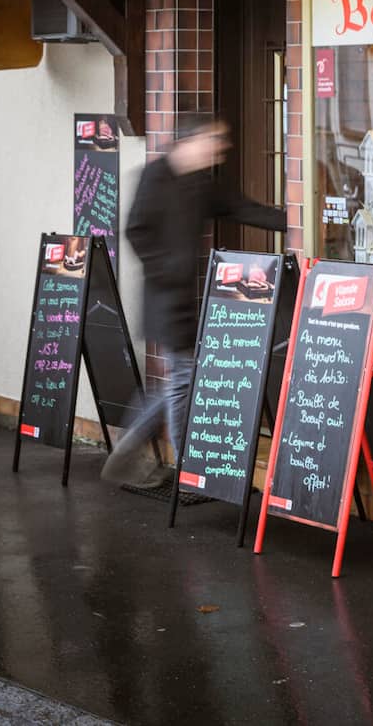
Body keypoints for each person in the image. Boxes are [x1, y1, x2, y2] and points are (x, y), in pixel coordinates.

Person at [101, 114, 287, 486]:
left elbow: (242, 208)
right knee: (183, 379)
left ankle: (133, 452)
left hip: (183, 297)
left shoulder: (201, 184)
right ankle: (188, 464)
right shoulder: (155, 177)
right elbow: (135, 230)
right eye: (215, 140)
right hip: (164, 297)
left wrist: (295, 219)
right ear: (191, 141)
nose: (221, 148)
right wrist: (167, 268)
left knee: (178, 380)